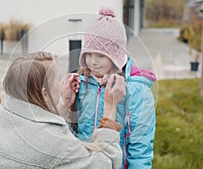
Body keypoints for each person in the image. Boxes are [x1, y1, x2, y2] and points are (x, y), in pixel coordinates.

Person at [0, 51, 125, 169]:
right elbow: (108, 163)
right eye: (58, 79)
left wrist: (64, 105)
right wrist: (110, 108)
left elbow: (35, 130)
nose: (61, 83)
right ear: (44, 93)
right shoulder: (56, 142)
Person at [71, 7, 157, 169]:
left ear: (116, 56)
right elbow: (75, 128)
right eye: (88, 54)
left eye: (101, 55)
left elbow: (141, 143)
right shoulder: (84, 82)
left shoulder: (136, 89)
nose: (92, 62)